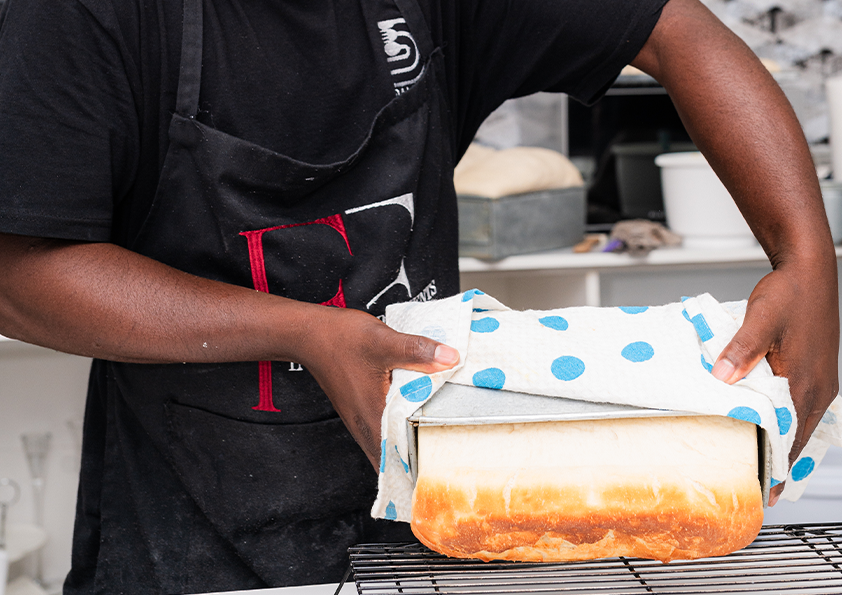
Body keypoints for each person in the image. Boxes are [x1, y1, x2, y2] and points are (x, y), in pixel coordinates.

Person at [0, 0, 837, 591]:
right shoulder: (86, 14)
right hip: (195, 539)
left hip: (444, 526)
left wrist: (809, 258)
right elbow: (22, 275)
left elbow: (672, 27)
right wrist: (309, 333)